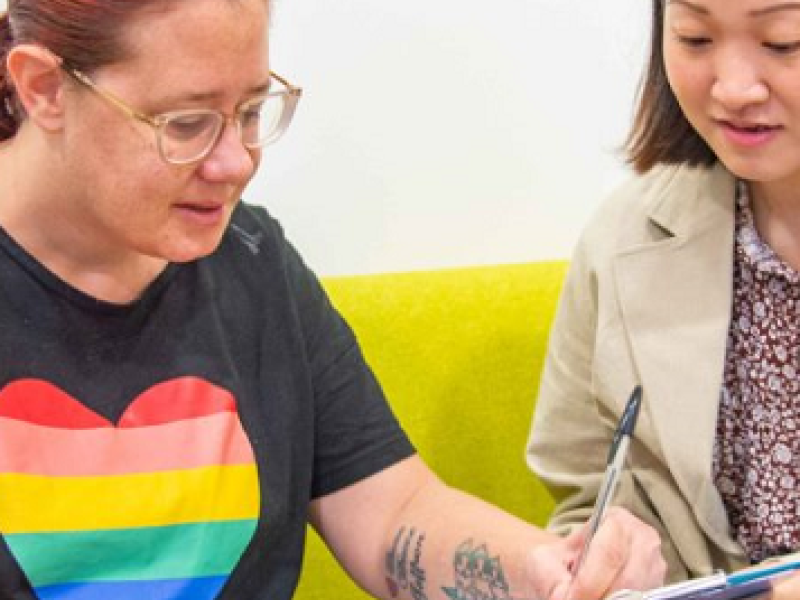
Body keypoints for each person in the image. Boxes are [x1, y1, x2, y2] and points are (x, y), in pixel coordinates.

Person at [0, 1, 667, 599]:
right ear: (44, 88)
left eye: (253, 111)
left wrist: (542, 570)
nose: (235, 162)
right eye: (186, 124)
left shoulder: (253, 265)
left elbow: (393, 513)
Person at [527, 0, 800, 597]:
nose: (732, 88)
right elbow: (583, 492)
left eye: (783, 42)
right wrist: (609, 552)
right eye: (695, 38)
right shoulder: (626, 233)